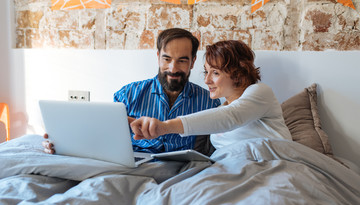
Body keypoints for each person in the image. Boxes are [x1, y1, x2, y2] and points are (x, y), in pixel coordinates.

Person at [43, 28, 220, 154]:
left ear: (193, 61)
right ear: (158, 57)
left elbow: (216, 148)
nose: (173, 68)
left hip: (183, 172)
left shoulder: (208, 101)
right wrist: (63, 144)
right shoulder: (127, 95)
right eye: (167, 59)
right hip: (133, 168)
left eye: (182, 60)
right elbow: (103, 136)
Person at [130, 40, 292, 150]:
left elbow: (231, 117)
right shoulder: (219, 109)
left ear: (238, 74)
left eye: (215, 72)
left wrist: (166, 127)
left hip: (270, 165)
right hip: (231, 171)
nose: (206, 80)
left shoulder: (260, 92)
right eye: (206, 72)